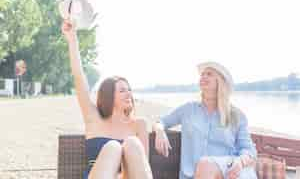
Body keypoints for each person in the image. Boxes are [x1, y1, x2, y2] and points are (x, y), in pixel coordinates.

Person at [61, 19, 153, 179]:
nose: (129, 94)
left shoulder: (139, 125)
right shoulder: (93, 117)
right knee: (113, 147)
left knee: (132, 143)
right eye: (122, 90)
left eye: (129, 89)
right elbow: (78, 76)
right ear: (109, 95)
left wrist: (159, 127)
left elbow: (143, 168)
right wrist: (72, 39)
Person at [153, 62, 257, 179]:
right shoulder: (188, 110)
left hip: (228, 172)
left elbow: (249, 150)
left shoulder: (237, 115)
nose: (203, 77)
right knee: (205, 164)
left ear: (220, 81)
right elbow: (160, 121)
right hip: (193, 175)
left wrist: (240, 162)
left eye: (209, 74)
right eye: (202, 74)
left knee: (207, 164)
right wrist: (160, 131)